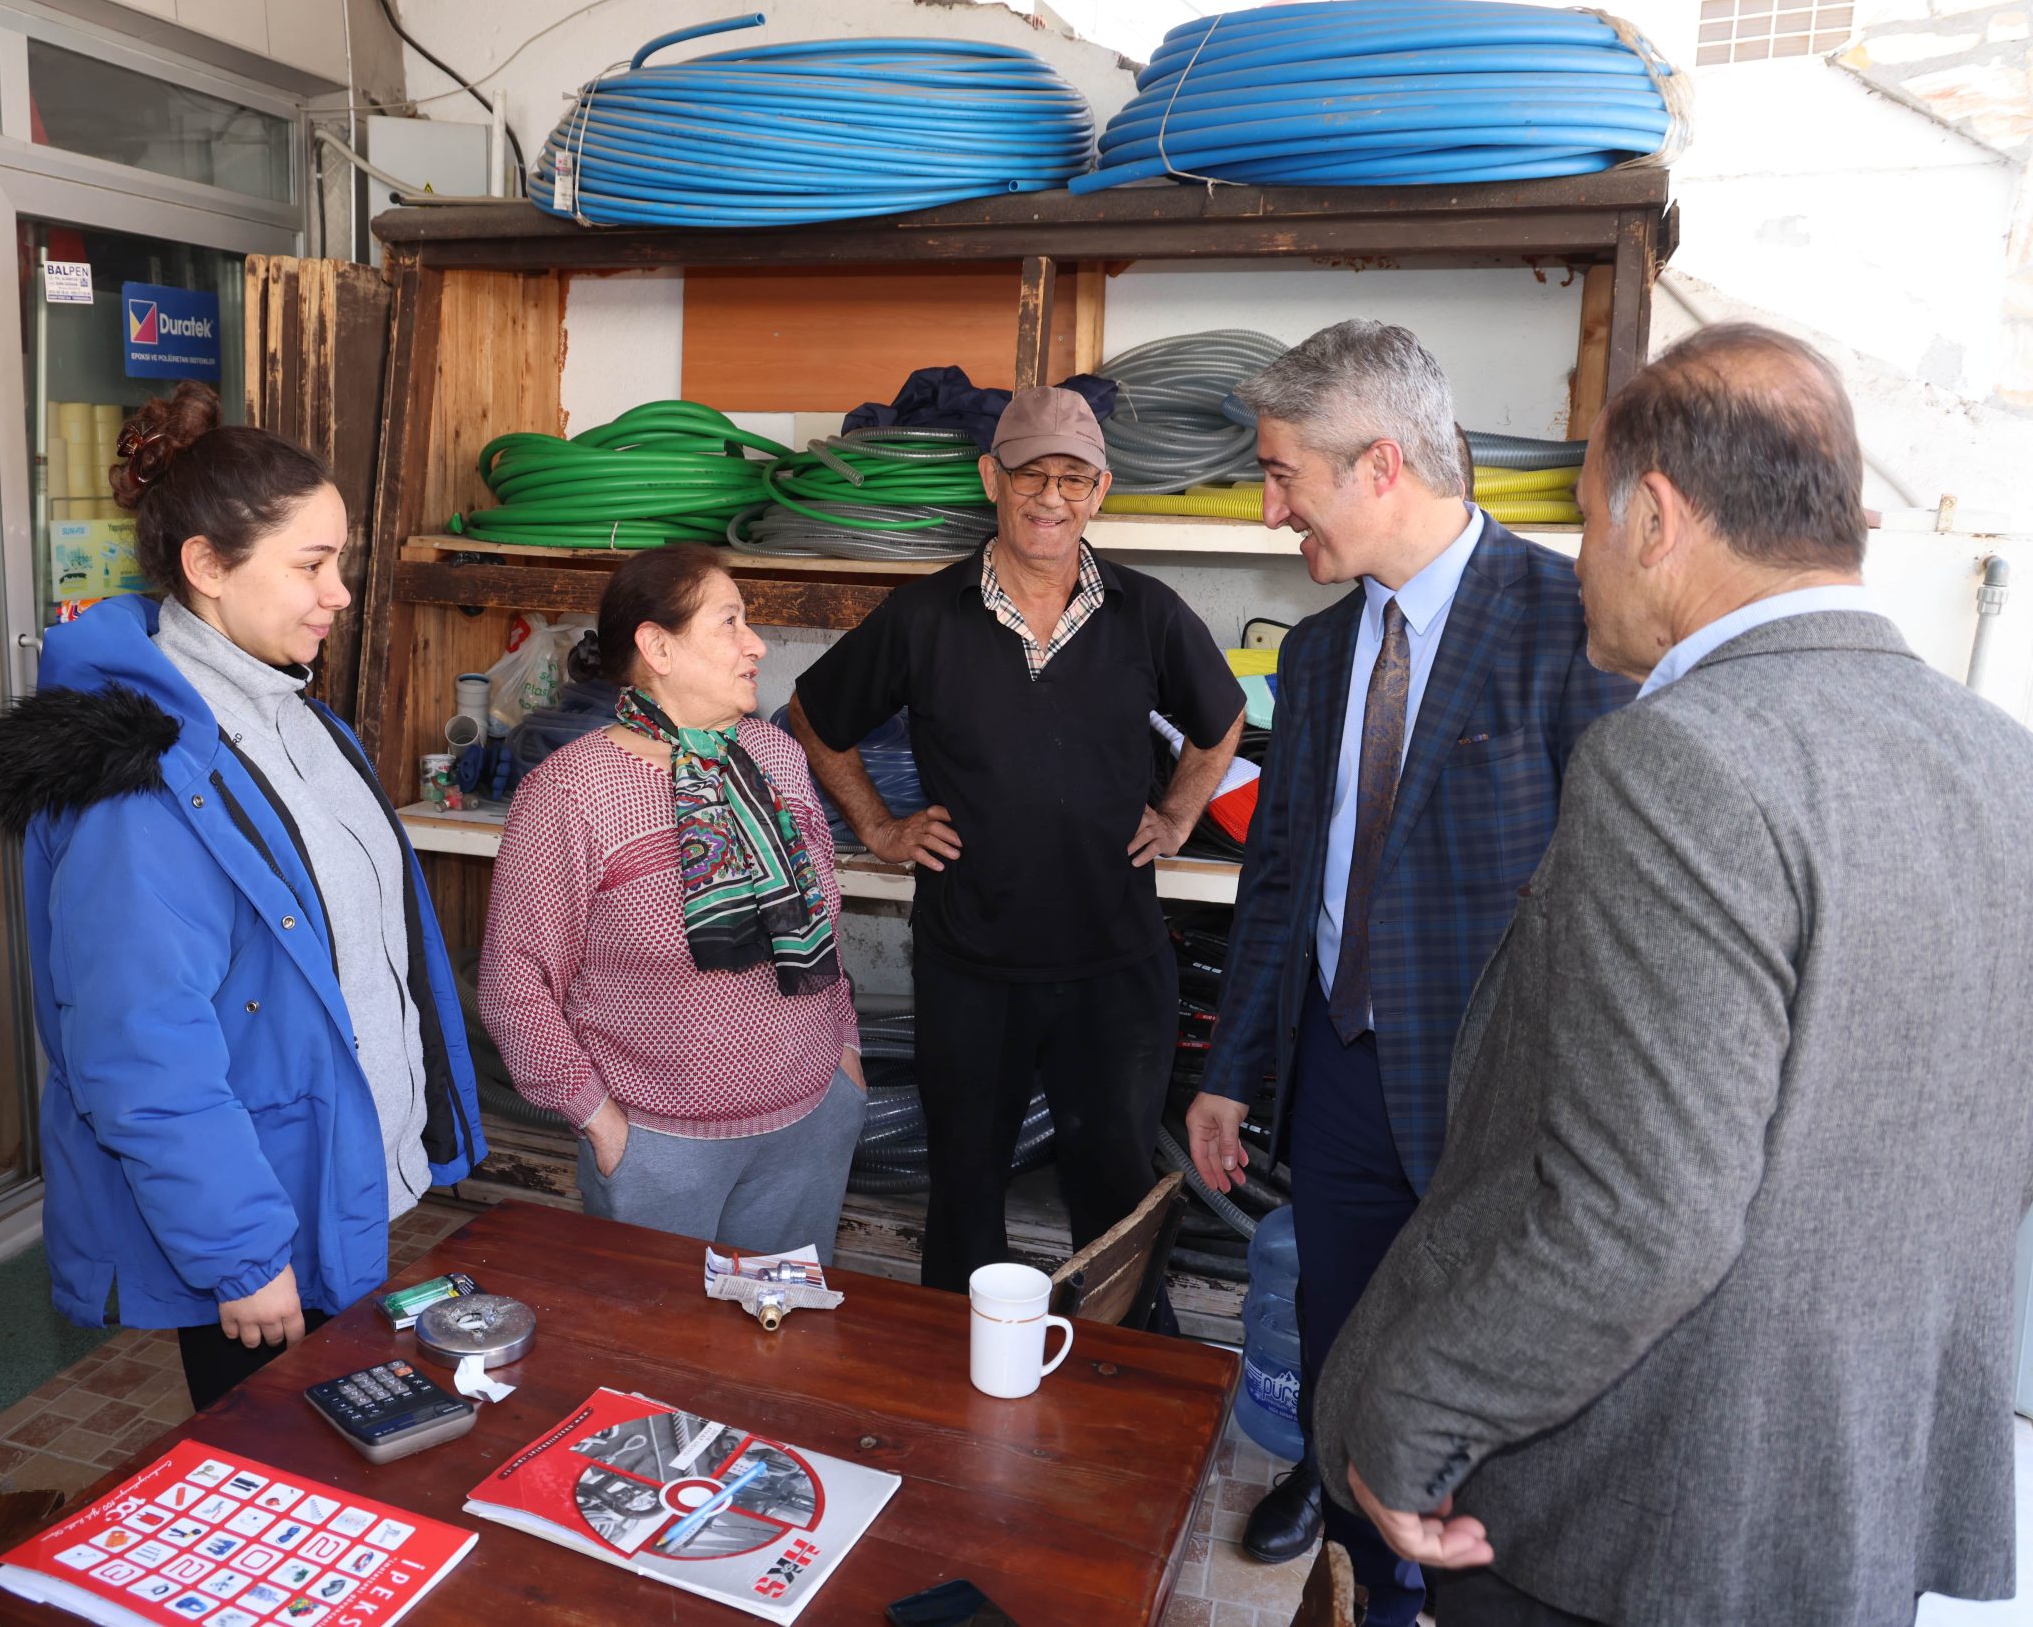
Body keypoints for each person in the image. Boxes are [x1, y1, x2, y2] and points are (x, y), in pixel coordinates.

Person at [1315, 323, 2033, 1627]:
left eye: (1588, 521)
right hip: (1852, 1510)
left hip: (1637, 1525)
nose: (1581, 562)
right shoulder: (2003, 760)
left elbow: (1643, 1219)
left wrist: (1409, 1419)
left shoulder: (1681, 760)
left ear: (1654, 518)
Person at [1180, 321, 1631, 1623]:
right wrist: (1230, 1073)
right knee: (1340, 1336)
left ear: (1379, 465)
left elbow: (1616, 904)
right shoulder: (1319, 654)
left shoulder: (1573, 631)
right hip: (1337, 1071)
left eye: (1283, 477)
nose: (1271, 513)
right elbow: (1279, 885)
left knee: (1479, 1371)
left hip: (1504, 1098)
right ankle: (1356, 1553)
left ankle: (1462, 1577)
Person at [0, 382, 484, 1412]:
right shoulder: (141, 781)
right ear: (207, 566)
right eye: (311, 564)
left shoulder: (303, 720)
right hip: (261, 1229)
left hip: (337, 1188)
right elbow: (136, 1050)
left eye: (337, 560)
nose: (339, 592)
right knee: (288, 1493)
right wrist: (241, 1254)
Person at [790, 386, 1246, 1293]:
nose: (1051, 498)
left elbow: (1220, 722)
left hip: (1115, 967)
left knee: (1116, 1199)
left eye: (1073, 479)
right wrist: (879, 826)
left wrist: (1181, 814)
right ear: (990, 477)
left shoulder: (1147, 614)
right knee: (964, 1194)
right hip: (973, 966)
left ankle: (1120, 1395)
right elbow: (814, 715)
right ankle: (953, 1397)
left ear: (1101, 491)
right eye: (1031, 475)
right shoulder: (925, 617)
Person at [482, 545, 865, 1260]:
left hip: (810, 1120)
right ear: (657, 646)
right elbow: (515, 983)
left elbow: (823, 922)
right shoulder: (573, 791)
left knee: (782, 1352)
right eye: (730, 623)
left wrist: (846, 1053)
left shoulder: (777, 759)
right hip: (659, 1148)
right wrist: (600, 1122)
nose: (756, 644)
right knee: (655, 1360)